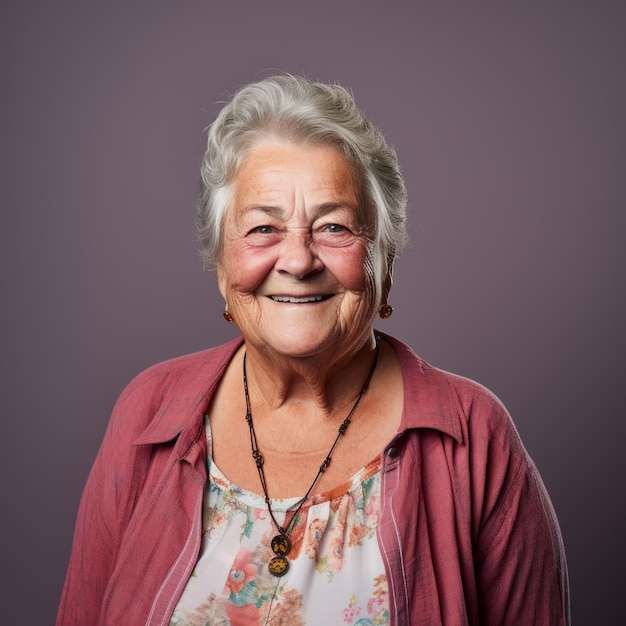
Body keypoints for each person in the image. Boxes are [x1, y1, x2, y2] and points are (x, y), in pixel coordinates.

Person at [57, 75, 569, 626]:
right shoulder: (149, 412)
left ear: (385, 261)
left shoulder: (471, 438)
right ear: (222, 263)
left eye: (333, 227)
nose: (298, 261)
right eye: (263, 228)